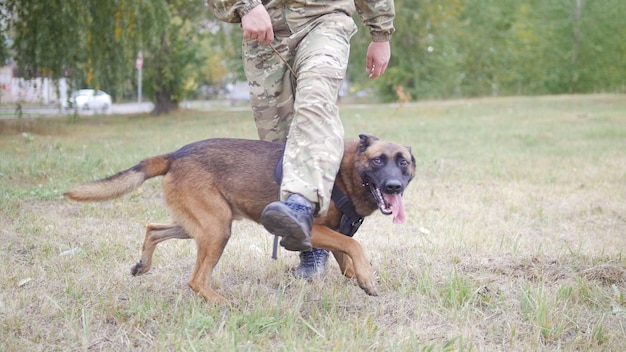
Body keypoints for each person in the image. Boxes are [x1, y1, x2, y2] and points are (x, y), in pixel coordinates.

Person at [208, 0, 395, 278]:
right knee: (279, 143)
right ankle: (309, 239)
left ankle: (301, 206)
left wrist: (381, 33)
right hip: (266, 28)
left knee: (315, 104)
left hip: (325, 18)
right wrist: (245, 6)